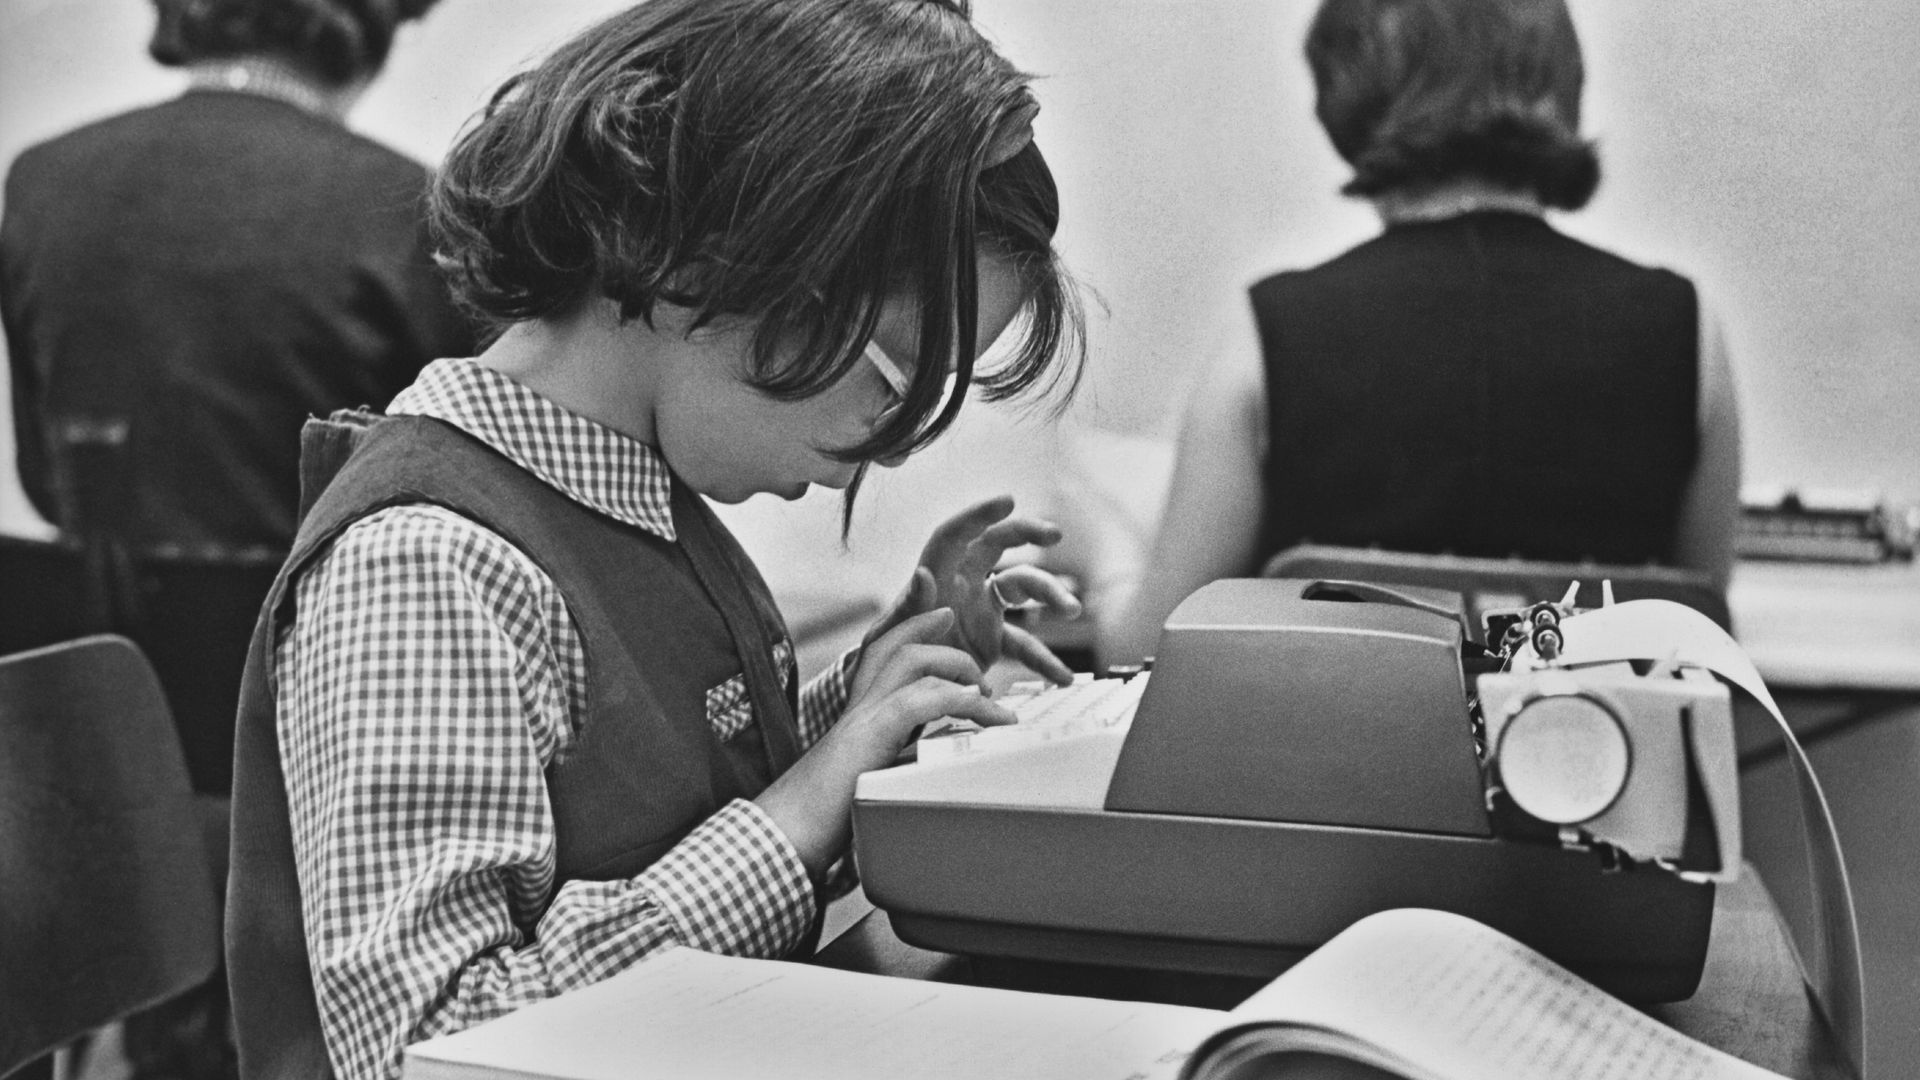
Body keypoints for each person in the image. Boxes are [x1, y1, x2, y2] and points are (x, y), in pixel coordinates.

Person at [223, 3, 1084, 1080]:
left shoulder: (637, 497)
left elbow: (659, 777)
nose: (894, 449)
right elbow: (423, 1051)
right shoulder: (425, 561)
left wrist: (871, 696)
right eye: (895, 379)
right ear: (706, 254)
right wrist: (798, 816)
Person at [1, 3, 470, 1079]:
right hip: (327, 740)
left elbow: (46, 475)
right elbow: (453, 484)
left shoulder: (38, 180)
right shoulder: (403, 205)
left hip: (92, 740)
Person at [1104, 0, 1741, 665]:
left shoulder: (1270, 328)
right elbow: (1695, 617)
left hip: (1327, 764)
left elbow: (1152, 647)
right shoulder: (1687, 325)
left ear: (1344, 99)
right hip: (1606, 760)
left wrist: (1104, 552)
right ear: (1563, 82)